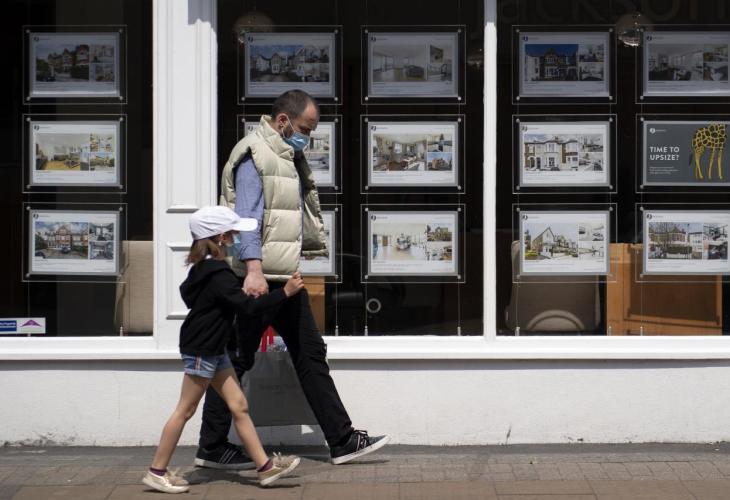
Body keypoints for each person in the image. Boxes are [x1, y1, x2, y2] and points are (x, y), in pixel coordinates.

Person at [194, 89, 388, 470]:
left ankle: (342, 440)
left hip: (282, 275)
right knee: (236, 358)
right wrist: (253, 269)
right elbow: (247, 218)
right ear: (282, 121)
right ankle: (212, 446)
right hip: (257, 278)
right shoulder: (254, 155)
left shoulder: (285, 155)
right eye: (305, 129)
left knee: (309, 353)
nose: (308, 137)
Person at [142, 206, 303, 493]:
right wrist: (285, 293)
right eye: (232, 233)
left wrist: (236, 295)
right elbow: (249, 309)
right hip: (203, 348)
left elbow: (208, 299)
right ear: (219, 237)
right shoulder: (218, 273)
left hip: (213, 348)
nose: (236, 237)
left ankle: (265, 469)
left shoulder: (203, 269)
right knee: (185, 409)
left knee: (238, 405)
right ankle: (157, 471)